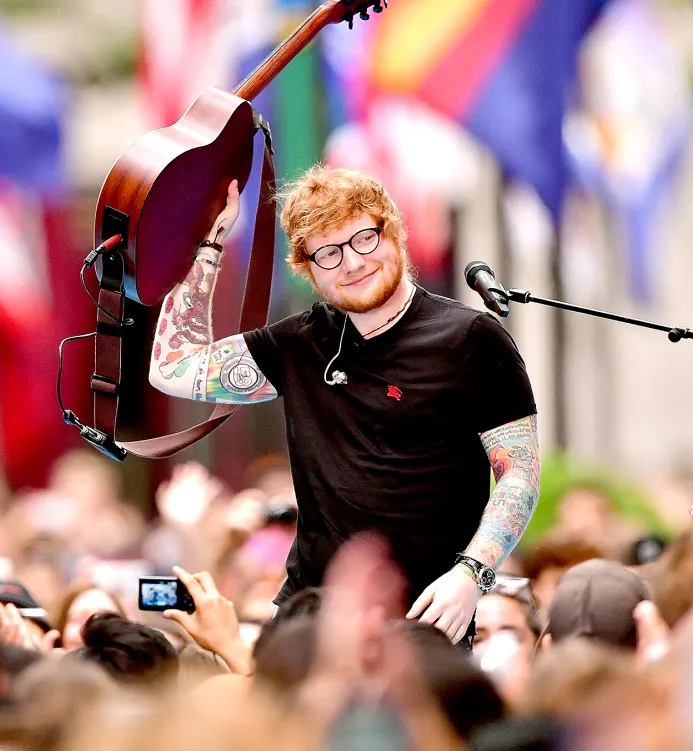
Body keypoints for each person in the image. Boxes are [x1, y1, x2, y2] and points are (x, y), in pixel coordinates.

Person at [148, 166, 540, 646]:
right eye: (328, 253)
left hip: (425, 619)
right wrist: (207, 247)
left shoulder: (471, 338)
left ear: (392, 232)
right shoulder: (301, 344)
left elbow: (518, 475)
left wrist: (472, 575)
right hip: (309, 621)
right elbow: (172, 368)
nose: (352, 263)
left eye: (363, 239)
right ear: (308, 268)